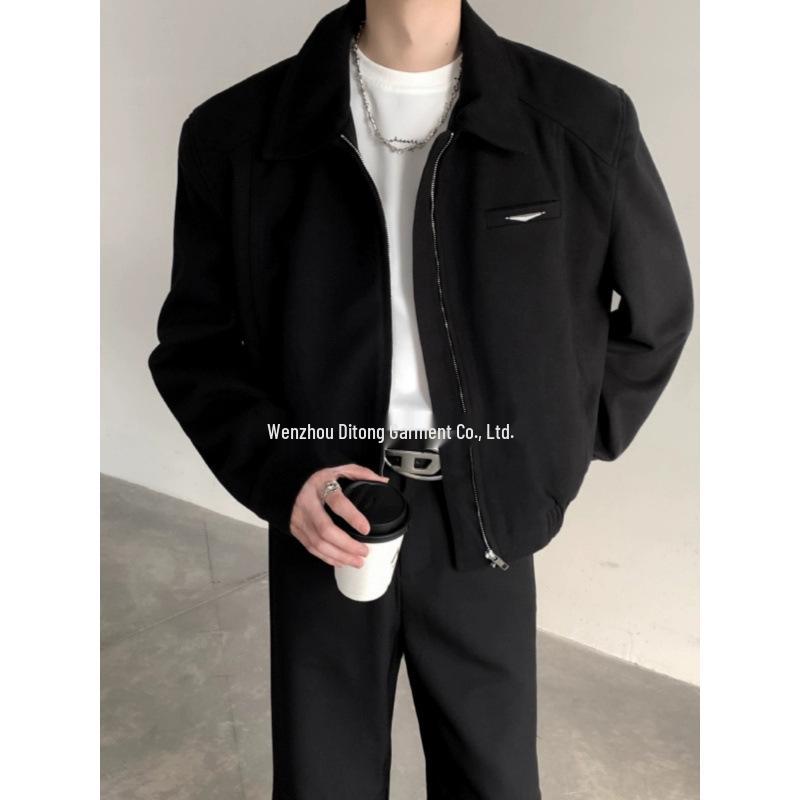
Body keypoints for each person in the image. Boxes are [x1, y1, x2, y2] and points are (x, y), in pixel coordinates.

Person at [148, 0, 694, 797]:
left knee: (492, 777)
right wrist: (282, 475)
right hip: (328, 505)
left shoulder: (578, 122)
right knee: (323, 778)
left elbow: (656, 318)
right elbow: (197, 348)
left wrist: (546, 453)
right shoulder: (236, 134)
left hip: (486, 511)